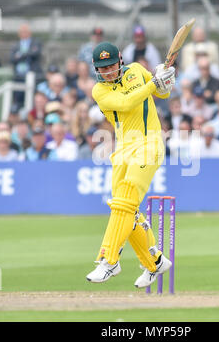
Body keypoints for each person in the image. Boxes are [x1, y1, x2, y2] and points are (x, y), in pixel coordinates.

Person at [86, 41, 175, 289]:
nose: (107, 72)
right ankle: (154, 262)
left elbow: (163, 93)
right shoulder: (99, 91)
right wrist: (153, 84)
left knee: (125, 200)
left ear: (121, 61)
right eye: (102, 68)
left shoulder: (137, 69)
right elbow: (126, 104)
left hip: (149, 144)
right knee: (126, 210)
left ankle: (109, 259)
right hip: (123, 149)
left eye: (111, 65)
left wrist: (165, 78)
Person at [10, 23, 43, 109]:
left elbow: (35, 53)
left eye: (26, 31)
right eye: (22, 32)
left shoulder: (36, 42)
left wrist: (20, 55)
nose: (24, 33)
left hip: (32, 75)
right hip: (19, 77)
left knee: (31, 98)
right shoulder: (15, 45)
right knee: (18, 99)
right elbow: (12, 59)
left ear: (29, 33)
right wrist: (26, 55)